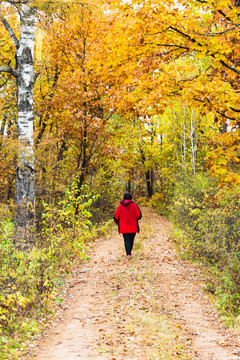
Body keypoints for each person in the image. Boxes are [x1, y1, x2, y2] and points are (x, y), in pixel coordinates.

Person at [114, 192, 142, 258]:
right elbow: (139, 216)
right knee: (131, 240)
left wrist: (117, 223)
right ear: (131, 198)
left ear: (124, 198)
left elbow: (116, 217)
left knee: (126, 240)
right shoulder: (134, 205)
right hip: (133, 227)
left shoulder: (120, 206)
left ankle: (128, 254)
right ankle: (129, 252)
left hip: (123, 227)